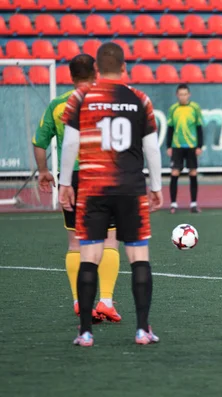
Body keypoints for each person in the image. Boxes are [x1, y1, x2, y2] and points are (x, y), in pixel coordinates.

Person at [58, 42, 163, 346]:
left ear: (96, 70)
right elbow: (152, 148)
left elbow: (69, 145)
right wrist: (156, 187)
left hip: (92, 189)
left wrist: (66, 184)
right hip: (130, 188)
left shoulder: (81, 97)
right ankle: (143, 329)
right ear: (125, 68)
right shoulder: (140, 99)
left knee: (89, 255)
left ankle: (85, 332)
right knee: (138, 256)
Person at [32, 54, 121, 323]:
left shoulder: (59, 105)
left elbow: (39, 142)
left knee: (76, 241)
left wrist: (44, 171)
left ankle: (79, 301)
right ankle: (106, 300)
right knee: (109, 238)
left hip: (73, 177)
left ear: (70, 76)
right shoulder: (107, 99)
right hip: (104, 174)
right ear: (95, 72)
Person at [166, 84, 204, 214]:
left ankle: (193, 204)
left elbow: (199, 127)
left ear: (189, 95)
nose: (183, 96)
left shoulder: (195, 108)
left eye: (185, 94)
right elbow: (170, 128)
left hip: (191, 146)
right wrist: (168, 146)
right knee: (174, 173)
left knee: (193, 173)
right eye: (180, 94)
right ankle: (173, 204)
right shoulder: (173, 109)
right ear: (177, 95)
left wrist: (199, 146)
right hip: (177, 146)